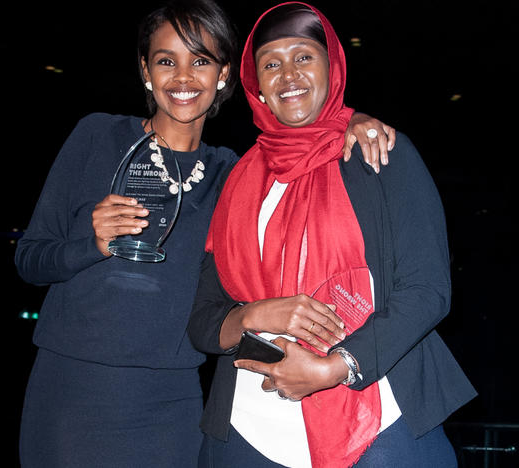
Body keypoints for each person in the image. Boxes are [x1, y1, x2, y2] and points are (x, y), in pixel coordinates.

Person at [14, 1, 395, 466]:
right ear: (146, 71)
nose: (182, 77)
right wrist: (90, 245)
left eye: (200, 60)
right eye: (166, 60)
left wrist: (349, 122)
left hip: (171, 403)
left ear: (223, 76)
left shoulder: (233, 174)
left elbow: (301, 153)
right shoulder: (96, 137)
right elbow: (30, 259)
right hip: (71, 392)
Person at [188, 3, 477, 468]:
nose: (288, 75)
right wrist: (261, 313)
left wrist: (336, 367)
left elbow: (427, 290)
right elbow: (203, 320)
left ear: (332, 65)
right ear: (256, 86)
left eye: (303, 56)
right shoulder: (236, 182)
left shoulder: (380, 154)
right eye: (271, 64)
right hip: (251, 429)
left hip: (380, 422)